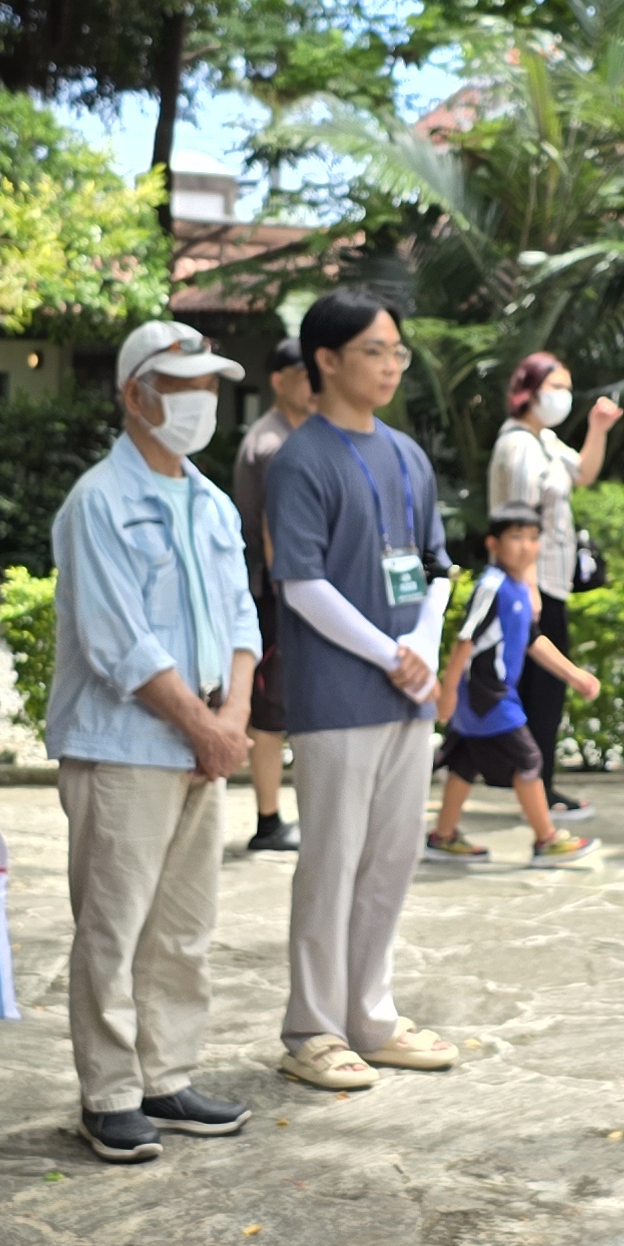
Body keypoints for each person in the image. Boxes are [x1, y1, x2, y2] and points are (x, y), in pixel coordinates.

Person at [49, 320, 266, 1161]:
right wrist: (205, 726)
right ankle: (109, 1093)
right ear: (136, 396)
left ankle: (166, 1076)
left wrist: (232, 718)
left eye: (209, 386)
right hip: (126, 744)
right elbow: (118, 641)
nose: (201, 401)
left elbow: (242, 618)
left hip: (205, 741)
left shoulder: (210, 501)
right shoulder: (98, 501)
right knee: (113, 926)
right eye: (183, 387)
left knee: (183, 924)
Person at [260, 289, 461, 1092]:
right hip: (338, 697)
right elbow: (301, 583)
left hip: (407, 692)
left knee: (391, 859)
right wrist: (390, 653)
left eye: (396, 352)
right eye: (374, 351)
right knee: (332, 860)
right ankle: (312, 1028)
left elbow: (438, 567)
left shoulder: (408, 455)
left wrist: (424, 647)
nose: (389, 365)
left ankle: (371, 1017)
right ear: (327, 359)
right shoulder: (300, 460)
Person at [426, 508, 604, 865]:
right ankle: (546, 839)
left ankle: (443, 836)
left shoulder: (518, 587)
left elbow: (532, 640)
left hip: (488, 696)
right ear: (493, 543)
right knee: (528, 760)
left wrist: (574, 675)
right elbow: (464, 641)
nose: (526, 546)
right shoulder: (491, 587)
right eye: (516, 537)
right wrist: (447, 694)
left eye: (533, 538)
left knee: (464, 762)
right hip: (487, 695)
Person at [488, 351, 622, 820]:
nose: (563, 396)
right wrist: (527, 589)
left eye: (567, 387)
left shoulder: (543, 440)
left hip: (549, 583)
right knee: (542, 691)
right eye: (555, 386)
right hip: (534, 585)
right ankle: (536, 788)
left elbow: (584, 472)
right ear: (529, 390)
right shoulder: (519, 447)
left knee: (542, 691)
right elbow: (520, 526)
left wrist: (598, 429)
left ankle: (536, 783)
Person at [233, 333, 312, 852]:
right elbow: (273, 534)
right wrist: (298, 598)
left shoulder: (295, 435)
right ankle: (268, 821)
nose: (313, 386)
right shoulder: (272, 443)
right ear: (279, 380)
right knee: (270, 712)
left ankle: (286, 817)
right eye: (304, 376)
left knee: (288, 709)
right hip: (276, 596)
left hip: (288, 594)